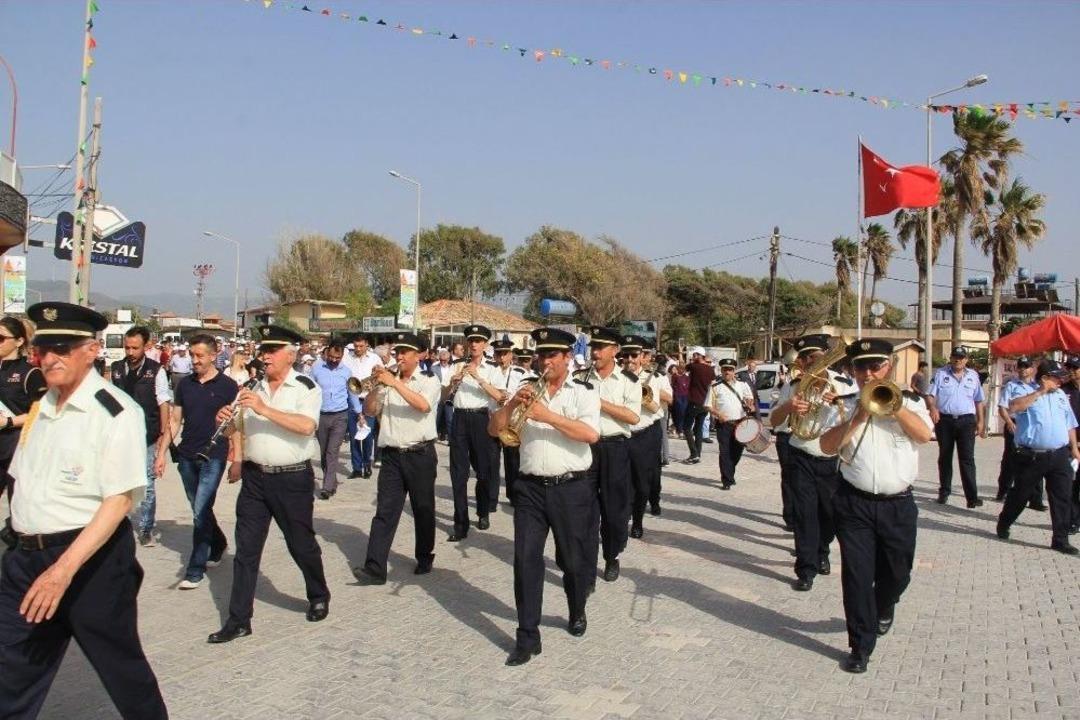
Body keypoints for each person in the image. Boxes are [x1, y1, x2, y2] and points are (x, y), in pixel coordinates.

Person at [0, 302, 168, 718]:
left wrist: (62, 571)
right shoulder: (42, 406)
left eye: (63, 348)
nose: (50, 359)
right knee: (10, 670)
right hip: (26, 559)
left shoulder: (114, 412)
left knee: (123, 671)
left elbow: (120, 500)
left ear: (91, 351)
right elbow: (22, 479)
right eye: (44, 349)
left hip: (89, 561)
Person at [207, 324, 330, 644]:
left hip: (292, 478)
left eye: (272, 351)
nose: (265, 356)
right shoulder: (250, 387)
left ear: (290, 355)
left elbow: (306, 427)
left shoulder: (305, 387)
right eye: (263, 351)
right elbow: (237, 428)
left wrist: (264, 408)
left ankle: (318, 594)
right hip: (255, 479)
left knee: (300, 543)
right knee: (246, 550)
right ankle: (239, 620)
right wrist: (225, 421)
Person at [819, 338, 933, 674]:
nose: (868, 374)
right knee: (856, 577)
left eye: (875, 366)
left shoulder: (911, 402)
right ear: (852, 370)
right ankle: (860, 646)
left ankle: (884, 605)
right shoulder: (843, 405)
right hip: (854, 503)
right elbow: (826, 446)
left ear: (889, 367)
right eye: (861, 367)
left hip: (898, 505)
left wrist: (895, 408)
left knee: (898, 574)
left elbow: (924, 436)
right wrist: (856, 418)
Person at [488, 327, 600, 666]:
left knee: (573, 561)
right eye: (541, 355)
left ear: (567, 358)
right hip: (530, 488)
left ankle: (576, 608)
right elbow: (494, 429)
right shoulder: (525, 389)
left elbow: (590, 434)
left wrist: (547, 416)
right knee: (525, 560)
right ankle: (527, 637)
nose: (545, 361)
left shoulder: (583, 392)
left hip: (571, 487)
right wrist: (512, 405)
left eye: (552, 355)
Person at [769, 334, 858, 591]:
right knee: (804, 514)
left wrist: (839, 404)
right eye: (807, 359)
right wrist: (789, 408)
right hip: (801, 455)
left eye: (816, 357)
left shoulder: (843, 384)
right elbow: (774, 421)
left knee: (830, 515)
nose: (812, 363)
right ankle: (805, 569)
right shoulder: (794, 385)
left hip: (830, 459)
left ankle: (822, 551)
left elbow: (856, 418)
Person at [352, 332, 441, 583]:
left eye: (404, 352)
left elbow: (423, 406)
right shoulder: (388, 381)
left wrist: (394, 383)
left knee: (423, 509)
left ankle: (424, 556)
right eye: (397, 352)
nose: (399, 357)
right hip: (391, 455)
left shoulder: (429, 379)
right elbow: (370, 411)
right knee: (385, 511)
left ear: (418, 356)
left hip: (420, 454)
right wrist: (376, 387)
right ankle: (374, 568)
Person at [170, 334, 240, 589]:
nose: (195, 360)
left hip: (214, 455)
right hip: (187, 454)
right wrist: (162, 450)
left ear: (213, 355)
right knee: (199, 509)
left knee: (200, 511)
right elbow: (175, 419)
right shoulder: (184, 385)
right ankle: (218, 543)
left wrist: (237, 459)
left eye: (200, 355)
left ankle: (194, 570)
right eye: (192, 355)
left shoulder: (228, 386)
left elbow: (235, 425)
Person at [995, 359, 1080, 555]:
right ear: (1044, 378)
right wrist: (1040, 392)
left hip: (1059, 455)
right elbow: (1013, 407)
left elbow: (1069, 423)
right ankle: (1005, 521)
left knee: (1062, 497)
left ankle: (1060, 539)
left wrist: (1074, 448)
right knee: (1021, 494)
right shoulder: (1026, 392)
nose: (1060, 381)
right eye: (1056, 378)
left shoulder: (1061, 395)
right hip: (1032, 456)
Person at [579, 327, 640, 584]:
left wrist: (598, 402)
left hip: (615, 448)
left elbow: (633, 417)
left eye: (601, 348)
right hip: (586, 446)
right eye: (593, 347)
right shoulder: (579, 378)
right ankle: (586, 559)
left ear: (615, 350)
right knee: (584, 506)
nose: (595, 352)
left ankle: (611, 555)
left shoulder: (629, 381)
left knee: (614, 510)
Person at [110, 326, 172, 548]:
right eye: (127, 347)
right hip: (122, 435)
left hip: (148, 435)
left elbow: (163, 403)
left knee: (147, 483)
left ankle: (146, 528)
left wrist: (163, 433)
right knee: (120, 481)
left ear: (146, 346)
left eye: (135, 348)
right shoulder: (117, 368)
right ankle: (119, 524)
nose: (130, 352)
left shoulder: (156, 371)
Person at [445, 325, 504, 540]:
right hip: (459, 418)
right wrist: (452, 384)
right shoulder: (457, 365)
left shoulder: (493, 368)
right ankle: (460, 524)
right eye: (471, 341)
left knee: (484, 471)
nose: (474, 344)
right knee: (458, 475)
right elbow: (444, 396)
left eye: (478, 341)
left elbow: (500, 397)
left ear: (485, 344)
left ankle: (483, 511)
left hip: (481, 418)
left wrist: (478, 377)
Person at [623, 337, 671, 538]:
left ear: (642, 357)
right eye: (626, 355)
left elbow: (664, 404)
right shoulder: (618, 377)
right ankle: (622, 518)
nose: (629, 359)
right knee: (622, 482)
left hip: (646, 433)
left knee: (643, 483)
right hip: (624, 434)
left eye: (634, 355)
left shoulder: (656, 377)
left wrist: (647, 394)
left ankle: (638, 521)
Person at [926, 346, 986, 508]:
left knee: (967, 459)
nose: (957, 360)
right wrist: (932, 408)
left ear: (966, 359)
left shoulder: (973, 376)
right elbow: (930, 395)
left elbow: (979, 400)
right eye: (955, 357)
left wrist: (981, 421)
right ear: (951, 358)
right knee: (945, 457)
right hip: (945, 420)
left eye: (961, 357)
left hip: (967, 421)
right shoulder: (941, 374)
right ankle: (944, 492)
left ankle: (972, 497)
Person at [0, 316, 47, 501]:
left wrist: (9, 421)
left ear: (19, 341)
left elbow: (42, 413)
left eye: (1, 338)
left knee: (17, 505)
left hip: (17, 447)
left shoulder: (30, 373)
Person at [995, 357, 1045, 507]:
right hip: (1015, 424)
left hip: (1033, 425)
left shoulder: (1038, 387)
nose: (1023, 369)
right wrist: (1009, 422)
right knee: (1011, 458)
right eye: (1021, 366)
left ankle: (1036, 498)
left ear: (1032, 369)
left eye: (1026, 366)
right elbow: (1002, 407)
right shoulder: (1011, 385)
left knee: (1036, 459)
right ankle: (1004, 490)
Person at [310, 340, 352, 500]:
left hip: (340, 416)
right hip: (321, 415)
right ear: (327, 353)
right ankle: (332, 481)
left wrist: (359, 413)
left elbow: (352, 393)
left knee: (332, 451)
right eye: (332, 357)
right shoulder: (316, 368)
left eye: (338, 358)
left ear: (342, 356)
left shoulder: (347, 372)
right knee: (323, 452)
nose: (334, 360)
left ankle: (327, 487)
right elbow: (310, 390)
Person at [706, 358, 755, 490]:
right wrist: (719, 415)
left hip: (740, 423)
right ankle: (727, 480)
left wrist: (750, 405)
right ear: (721, 371)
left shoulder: (742, 385)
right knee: (725, 452)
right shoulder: (715, 387)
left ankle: (730, 472)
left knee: (737, 451)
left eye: (730, 370)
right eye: (725, 370)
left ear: (734, 371)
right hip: (724, 424)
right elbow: (708, 406)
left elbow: (750, 399)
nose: (727, 372)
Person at [490, 339, 528, 506]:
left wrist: (509, 396)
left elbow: (526, 392)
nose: (501, 357)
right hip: (492, 419)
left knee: (512, 461)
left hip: (512, 421)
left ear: (511, 355)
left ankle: (513, 495)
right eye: (498, 354)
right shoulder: (489, 371)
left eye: (504, 354)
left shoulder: (520, 372)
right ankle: (491, 499)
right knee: (491, 462)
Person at [342, 334, 383, 479]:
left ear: (367, 345)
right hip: (352, 400)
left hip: (369, 399)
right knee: (354, 436)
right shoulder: (347, 358)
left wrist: (375, 381)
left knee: (368, 435)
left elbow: (381, 376)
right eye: (356, 346)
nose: (358, 349)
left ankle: (367, 464)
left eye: (361, 346)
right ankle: (357, 468)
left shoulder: (375, 358)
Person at [682, 348, 715, 463]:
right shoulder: (710, 369)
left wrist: (682, 354)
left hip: (694, 401)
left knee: (686, 427)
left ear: (700, 355)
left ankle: (694, 453)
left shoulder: (694, 366)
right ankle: (698, 454)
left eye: (695, 355)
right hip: (705, 403)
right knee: (698, 428)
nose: (693, 356)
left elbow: (683, 367)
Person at [1062, 356, 1080, 535]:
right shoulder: (1064, 391)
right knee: (1071, 484)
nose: (1072, 371)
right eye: (1070, 368)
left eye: (1075, 368)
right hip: (1070, 445)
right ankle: (1072, 520)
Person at [431, 348, 455, 442]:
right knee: (436, 418)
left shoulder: (453, 368)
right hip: (437, 397)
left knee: (450, 419)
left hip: (449, 397)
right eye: (441, 360)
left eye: (445, 360)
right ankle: (432, 437)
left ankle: (451, 439)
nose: (443, 362)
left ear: (448, 359)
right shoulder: (434, 368)